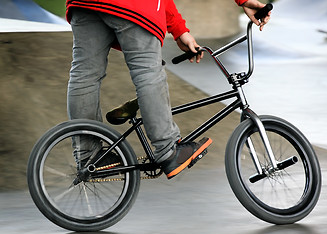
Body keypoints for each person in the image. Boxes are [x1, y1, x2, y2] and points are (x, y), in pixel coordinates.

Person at [66, 0, 271, 179]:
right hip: (132, 6)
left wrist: (179, 29)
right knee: (147, 72)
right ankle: (168, 150)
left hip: (85, 5)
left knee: (84, 75)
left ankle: (88, 156)